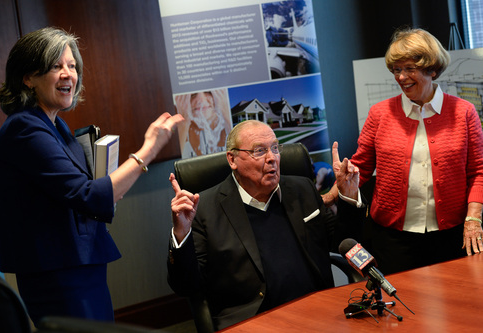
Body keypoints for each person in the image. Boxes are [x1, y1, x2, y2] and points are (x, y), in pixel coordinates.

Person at [0, 27, 183, 325]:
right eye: (56, 66)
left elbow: (85, 192)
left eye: (73, 66)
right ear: (27, 77)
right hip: (57, 273)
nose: (69, 74)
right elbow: (87, 196)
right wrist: (150, 148)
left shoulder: (56, 125)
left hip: (78, 263)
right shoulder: (24, 129)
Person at [167, 120, 366, 330]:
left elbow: (342, 243)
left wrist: (349, 196)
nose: (272, 158)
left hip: (316, 310)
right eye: (260, 151)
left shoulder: (302, 189)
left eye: (275, 148)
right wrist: (181, 234)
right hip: (253, 320)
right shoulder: (205, 209)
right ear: (232, 159)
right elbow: (186, 285)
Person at [326, 27, 483, 275]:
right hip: (392, 239)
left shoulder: (464, 113)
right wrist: (330, 195)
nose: (401, 77)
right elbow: (361, 167)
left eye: (409, 69)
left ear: (432, 69)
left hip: (451, 235)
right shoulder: (380, 113)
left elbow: (478, 172)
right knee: (401, 306)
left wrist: (473, 220)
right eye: (396, 70)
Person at [174, 89, 232, 158]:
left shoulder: (227, 121)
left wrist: (226, 115)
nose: (201, 100)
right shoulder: (178, 121)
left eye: (208, 91)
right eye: (193, 94)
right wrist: (184, 123)